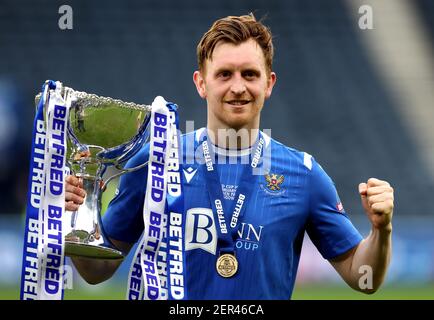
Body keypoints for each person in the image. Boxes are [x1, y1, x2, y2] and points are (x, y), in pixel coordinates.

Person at [65, 13, 394, 299]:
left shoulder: (303, 174)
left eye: (250, 74)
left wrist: (381, 230)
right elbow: (96, 273)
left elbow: (360, 276)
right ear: (201, 83)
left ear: (269, 83)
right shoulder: (155, 161)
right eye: (224, 74)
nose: (238, 87)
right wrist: (79, 215)